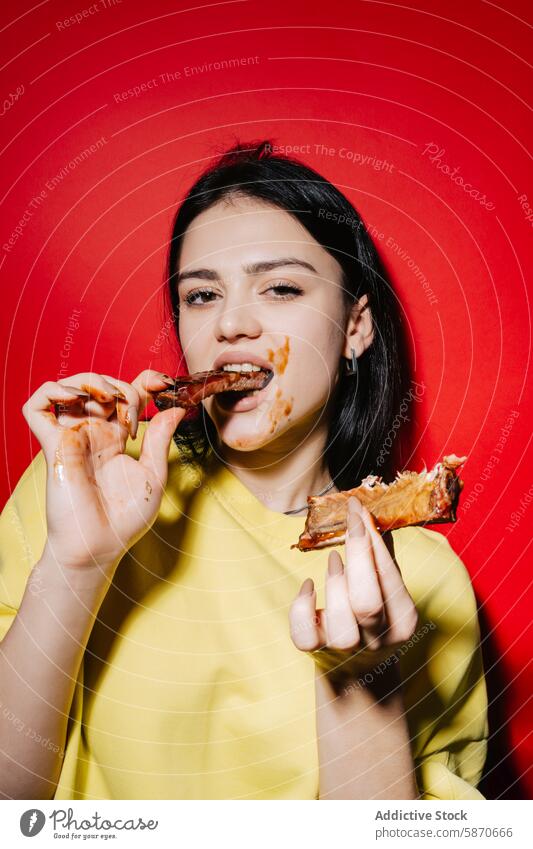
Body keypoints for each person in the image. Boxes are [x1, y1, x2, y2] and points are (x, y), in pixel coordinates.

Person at [0, 141, 488, 800]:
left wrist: (362, 681)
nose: (229, 323)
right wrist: (76, 563)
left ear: (356, 326)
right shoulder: (84, 482)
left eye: (280, 286)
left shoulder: (422, 580)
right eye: (201, 295)